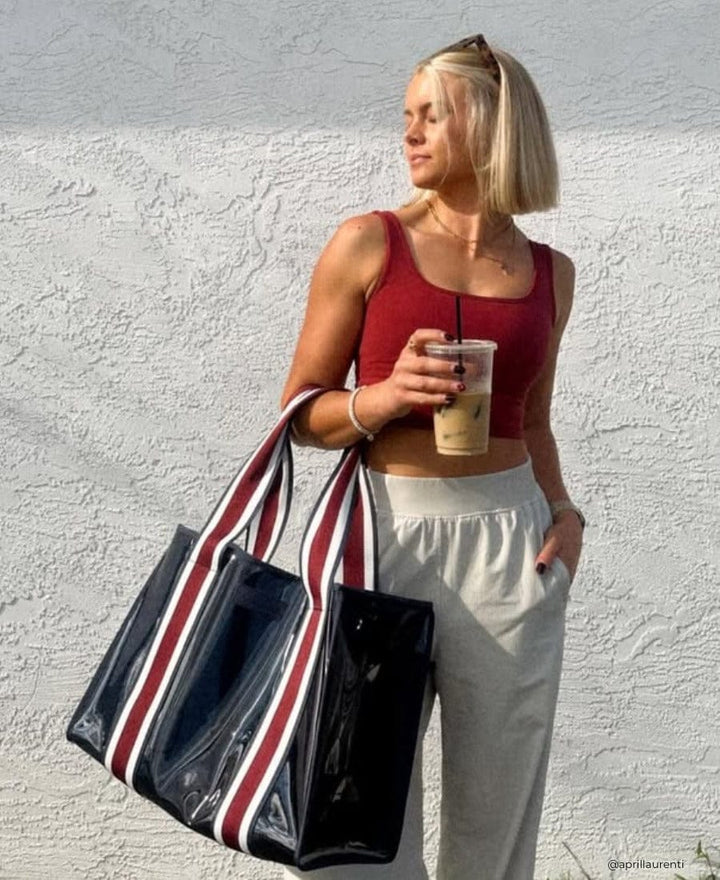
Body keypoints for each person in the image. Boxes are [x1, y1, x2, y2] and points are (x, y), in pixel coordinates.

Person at [279, 33, 584, 880]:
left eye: (430, 116)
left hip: (513, 544)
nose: (408, 134)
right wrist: (383, 398)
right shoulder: (367, 244)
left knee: (498, 810)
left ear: (487, 125)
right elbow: (301, 411)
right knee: (356, 809)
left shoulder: (552, 275)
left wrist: (565, 513)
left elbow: (534, 421)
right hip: (385, 537)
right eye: (404, 117)